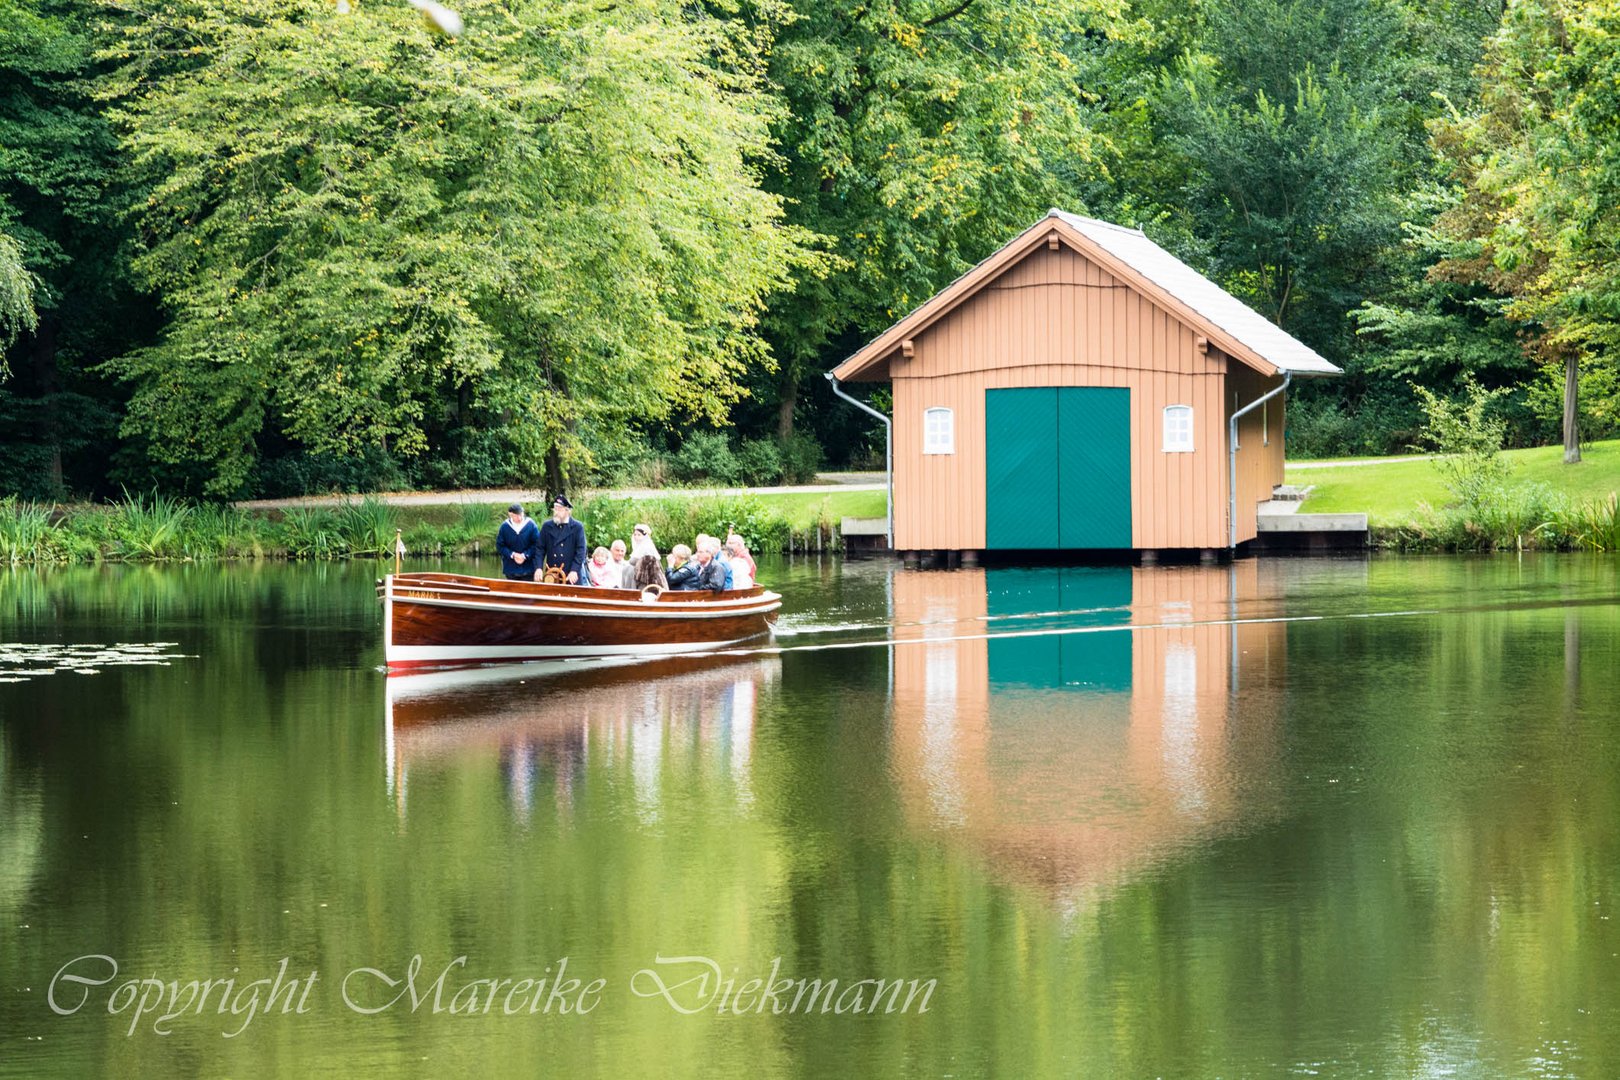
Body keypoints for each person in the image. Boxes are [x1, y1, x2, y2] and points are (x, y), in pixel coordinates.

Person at [536, 494, 587, 584]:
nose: (556, 512)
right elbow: (540, 549)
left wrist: (574, 570)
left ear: (567, 511)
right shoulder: (547, 526)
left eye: (559, 509)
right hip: (552, 575)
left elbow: (581, 551)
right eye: (555, 508)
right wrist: (539, 568)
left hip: (571, 575)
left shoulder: (577, 527)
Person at [496, 503, 539, 581]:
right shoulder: (505, 527)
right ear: (510, 515)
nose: (519, 518)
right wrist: (512, 554)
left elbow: (537, 544)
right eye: (516, 516)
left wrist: (525, 555)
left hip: (528, 569)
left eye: (521, 514)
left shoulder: (531, 525)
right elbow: (500, 546)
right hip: (511, 569)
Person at [627, 523, 667, 590]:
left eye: (639, 535)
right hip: (639, 575)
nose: (636, 537)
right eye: (635, 535)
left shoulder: (646, 547)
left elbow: (633, 561)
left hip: (646, 578)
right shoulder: (638, 548)